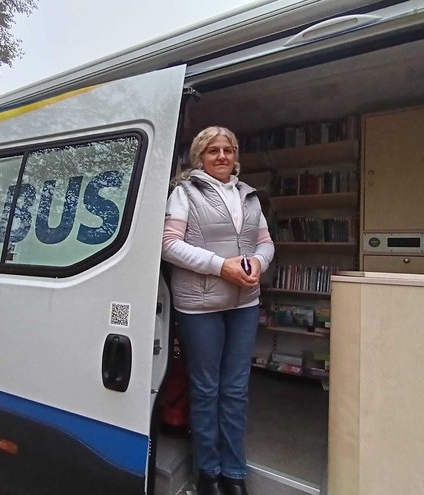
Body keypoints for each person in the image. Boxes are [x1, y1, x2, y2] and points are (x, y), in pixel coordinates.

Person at [162, 126, 275, 495]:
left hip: (245, 303)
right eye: (213, 150)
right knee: (207, 388)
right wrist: (221, 265)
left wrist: (259, 262)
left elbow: (266, 242)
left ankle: (234, 472)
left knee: (236, 389)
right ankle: (208, 472)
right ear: (200, 156)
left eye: (228, 149)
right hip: (201, 306)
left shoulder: (249, 196)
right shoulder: (185, 193)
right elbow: (169, 245)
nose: (222, 156)